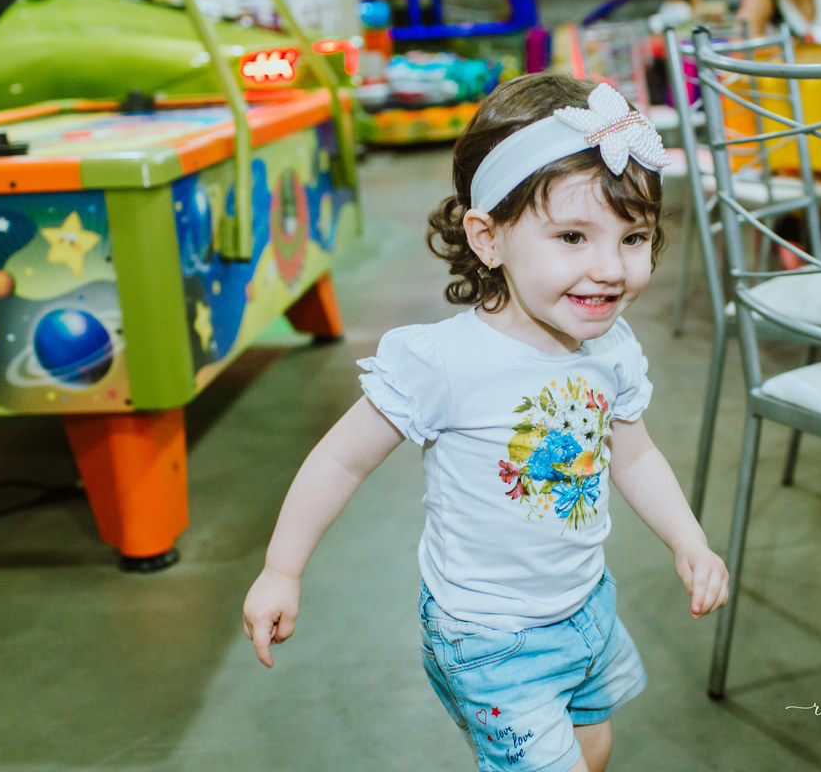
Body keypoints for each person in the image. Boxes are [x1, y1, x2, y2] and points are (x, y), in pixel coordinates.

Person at [242, 74, 730, 772]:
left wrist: (688, 540)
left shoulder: (612, 347)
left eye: (634, 238)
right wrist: (280, 570)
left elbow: (636, 457)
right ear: (488, 238)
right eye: (571, 235)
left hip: (586, 606)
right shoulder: (443, 362)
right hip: (490, 638)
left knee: (593, 744)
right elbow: (340, 460)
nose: (610, 268)